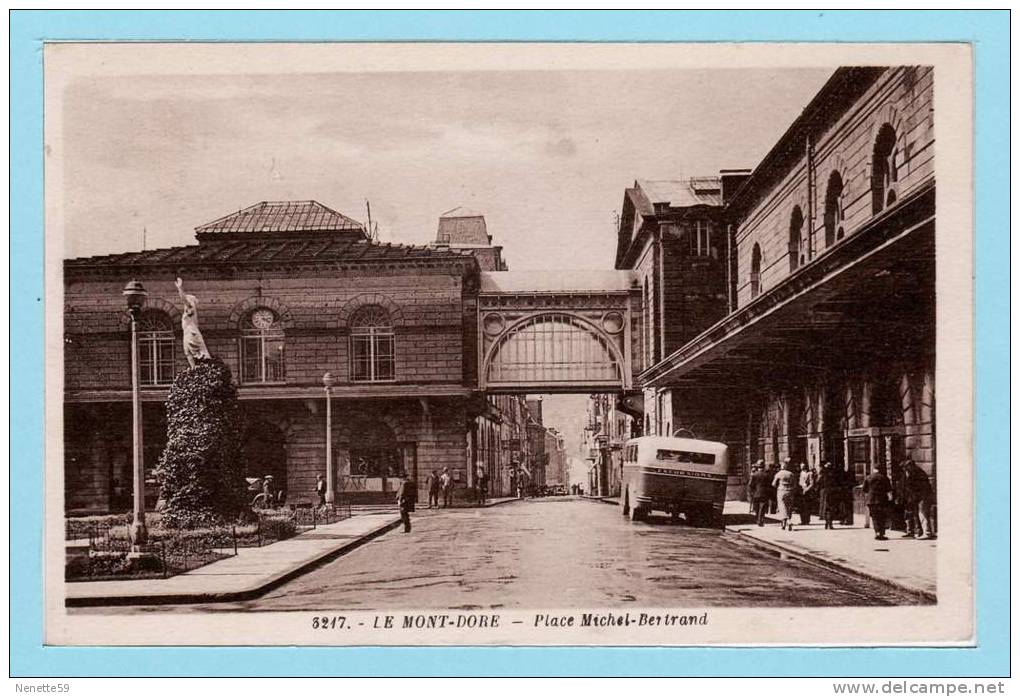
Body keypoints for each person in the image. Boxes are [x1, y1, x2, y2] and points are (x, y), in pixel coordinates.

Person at [175, 277, 211, 367]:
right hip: (189, 332)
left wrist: (180, 288)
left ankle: (196, 369)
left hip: (191, 333)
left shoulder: (191, 309)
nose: (184, 305)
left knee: (191, 353)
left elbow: (184, 299)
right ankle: (194, 370)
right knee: (187, 352)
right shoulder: (189, 311)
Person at [901, 459, 936, 539]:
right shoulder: (916, 472)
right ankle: (924, 532)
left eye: (906, 468)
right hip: (919, 497)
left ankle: (927, 533)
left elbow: (918, 487)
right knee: (921, 514)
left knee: (923, 514)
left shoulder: (917, 473)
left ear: (910, 466)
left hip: (923, 496)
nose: (905, 470)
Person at [862, 463, 893, 540]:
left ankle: (877, 532)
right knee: (882, 517)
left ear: (874, 469)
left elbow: (865, 490)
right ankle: (882, 533)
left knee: (874, 517)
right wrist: (890, 498)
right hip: (882, 500)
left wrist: (866, 499)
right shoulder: (884, 478)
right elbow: (889, 490)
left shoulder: (868, 477)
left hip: (871, 501)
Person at [772, 460, 798, 531]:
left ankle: (786, 521)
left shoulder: (779, 474)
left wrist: (779, 486)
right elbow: (795, 484)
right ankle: (788, 520)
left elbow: (773, 484)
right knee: (789, 507)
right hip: (790, 491)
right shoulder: (791, 474)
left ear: (781, 467)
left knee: (782, 506)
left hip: (781, 491)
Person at [748, 461, 772, 527]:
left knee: (756, 507)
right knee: (763, 507)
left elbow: (750, 484)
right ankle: (760, 520)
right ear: (763, 467)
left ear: (757, 467)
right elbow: (769, 485)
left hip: (756, 493)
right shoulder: (767, 475)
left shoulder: (754, 475)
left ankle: (758, 519)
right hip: (764, 493)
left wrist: (752, 492)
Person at [817, 462, 840, 530]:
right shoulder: (834, 474)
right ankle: (830, 523)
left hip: (824, 492)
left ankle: (827, 523)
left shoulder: (822, 474)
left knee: (826, 508)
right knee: (831, 508)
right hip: (832, 492)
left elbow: (818, 482)